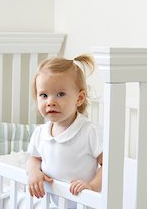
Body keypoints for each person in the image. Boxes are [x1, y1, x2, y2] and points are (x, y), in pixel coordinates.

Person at [26, 55, 103, 199]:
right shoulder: (40, 132)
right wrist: (34, 172)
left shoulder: (89, 132)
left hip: (82, 207)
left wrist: (92, 186)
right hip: (52, 206)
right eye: (43, 95)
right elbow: (34, 159)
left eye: (60, 94)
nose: (50, 102)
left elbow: (109, 166)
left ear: (79, 98)